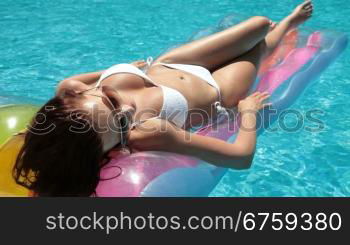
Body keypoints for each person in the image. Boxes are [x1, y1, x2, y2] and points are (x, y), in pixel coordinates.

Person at [13, 1, 313, 196]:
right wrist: (248, 113)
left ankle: (267, 31)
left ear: (77, 95)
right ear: (110, 151)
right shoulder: (149, 134)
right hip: (219, 90)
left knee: (258, 23)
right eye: (121, 121)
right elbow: (241, 158)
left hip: (171, 63)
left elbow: (67, 83)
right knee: (260, 45)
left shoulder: (72, 89)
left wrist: (124, 69)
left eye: (109, 96)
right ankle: (289, 25)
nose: (127, 107)